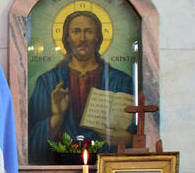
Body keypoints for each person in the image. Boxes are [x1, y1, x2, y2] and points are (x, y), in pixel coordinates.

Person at [28, 10, 134, 164]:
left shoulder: (122, 81)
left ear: (98, 37)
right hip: (59, 168)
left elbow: (140, 132)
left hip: (107, 167)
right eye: (76, 32)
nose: (82, 38)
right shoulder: (48, 81)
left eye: (89, 31)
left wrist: (126, 138)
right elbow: (29, 141)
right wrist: (56, 118)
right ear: (67, 38)